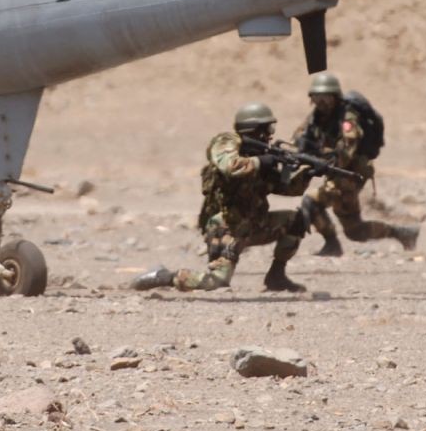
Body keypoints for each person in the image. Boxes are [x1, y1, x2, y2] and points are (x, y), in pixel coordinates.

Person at [134, 102, 316, 293]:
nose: (271, 134)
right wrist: (260, 161)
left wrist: (307, 174)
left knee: (296, 219)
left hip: (252, 224)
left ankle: (276, 276)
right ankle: (165, 276)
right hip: (225, 227)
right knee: (216, 282)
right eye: (268, 128)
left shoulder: (259, 157)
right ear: (254, 128)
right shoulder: (226, 142)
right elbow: (229, 166)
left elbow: (287, 189)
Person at [293, 72, 419, 257]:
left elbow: (346, 153)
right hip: (336, 172)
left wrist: (319, 156)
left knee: (311, 202)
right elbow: (299, 136)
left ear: (335, 97)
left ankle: (332, 245)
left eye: (326, 98)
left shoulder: (348, 118)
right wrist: (300, 147)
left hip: (350, 175)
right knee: (355, 231)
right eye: (317, 97)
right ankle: (402, 233)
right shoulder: (317, 117)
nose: (322, 103)